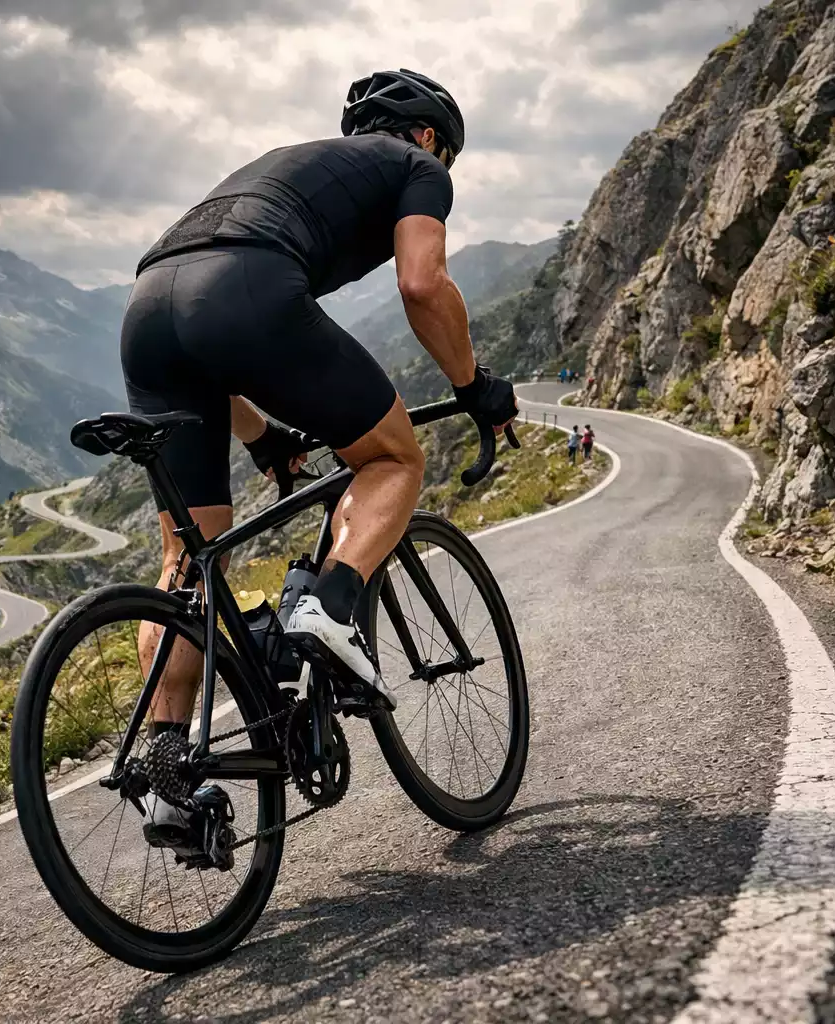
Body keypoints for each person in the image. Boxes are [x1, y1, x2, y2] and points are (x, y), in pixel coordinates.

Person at [120, 69, 516, 854]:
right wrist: (475, 386)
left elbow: (206, 332)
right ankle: (330, 605)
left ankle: (170, 777)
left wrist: (263, 436)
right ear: (432, 136)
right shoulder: (417, 168)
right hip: (243, 290)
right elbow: (421, 282)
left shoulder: (294, 165)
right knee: (393, 458)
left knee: (187, 558)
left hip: (147, 307)